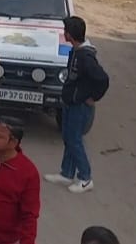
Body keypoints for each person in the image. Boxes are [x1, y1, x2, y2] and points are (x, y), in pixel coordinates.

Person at [45, 16, 109, 194]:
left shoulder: (86, 57)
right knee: (68, 137)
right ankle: (67, 173)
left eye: (65, 31)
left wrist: (93, 97)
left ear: (69, 34)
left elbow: (102, 79)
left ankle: (85, 177)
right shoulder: (75, 51)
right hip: (70, 102)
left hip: (79, 106)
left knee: (74, 140)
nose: (63, 33)